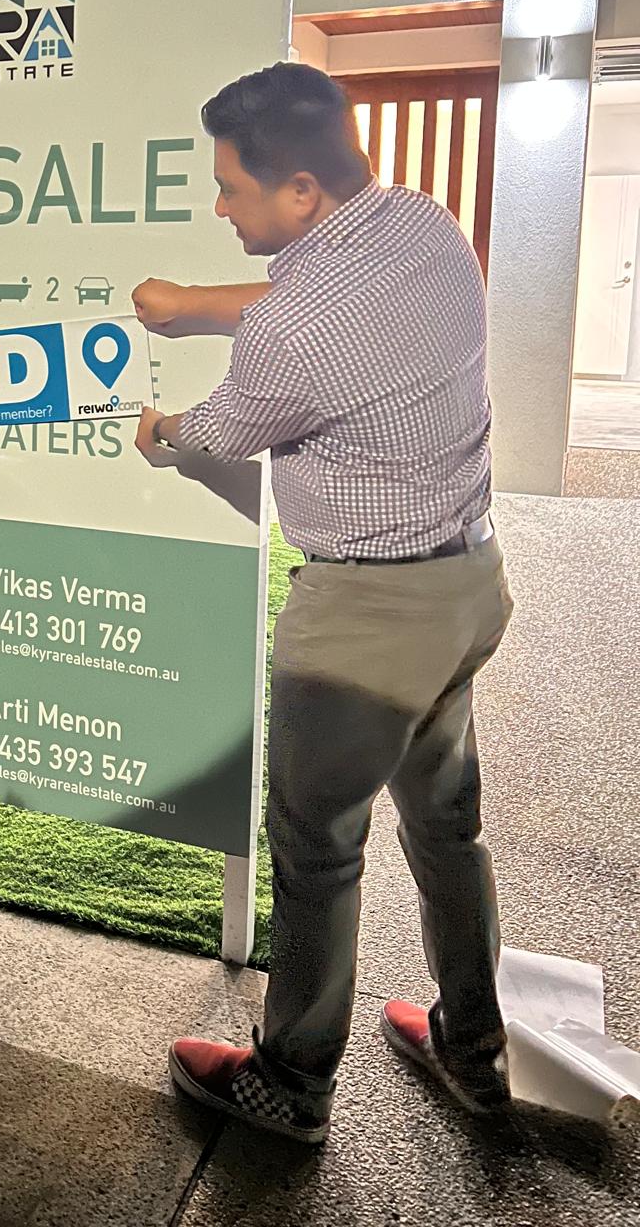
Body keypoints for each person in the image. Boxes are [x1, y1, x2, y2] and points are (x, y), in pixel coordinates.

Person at [132, 62, 513, 1145]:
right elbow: (304, 299)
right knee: (447, 828)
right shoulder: (426, 226)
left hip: (363, 623)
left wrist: (160, 431)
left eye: (232, 188)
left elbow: (219, 429)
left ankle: (290, 1084)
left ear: (300, 190)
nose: (220, 206)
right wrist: (189, 304)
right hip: (466, 590)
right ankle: (473, 1048)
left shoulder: (289, 333)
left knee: (315, 854)